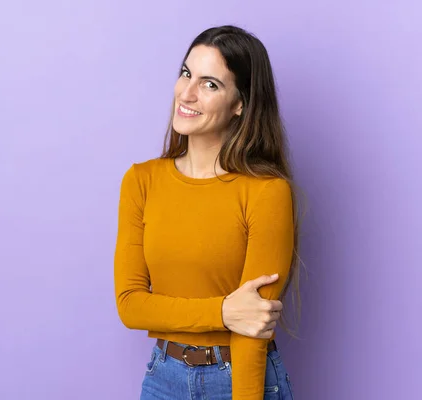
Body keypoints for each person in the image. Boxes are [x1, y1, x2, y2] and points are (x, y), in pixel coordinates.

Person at [114, 25, 300, 399]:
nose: (187, 92)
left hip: (238, 379)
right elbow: (131, 305)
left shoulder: (266, 192)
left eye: (210, 84)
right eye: (186, 74)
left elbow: (252, 327)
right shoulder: (141, 181)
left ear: (240, 104)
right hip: (162, 377)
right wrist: (222, 312)